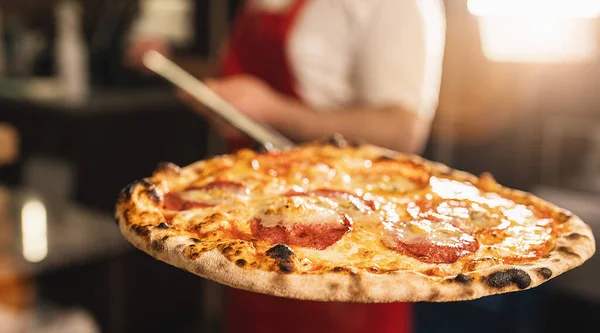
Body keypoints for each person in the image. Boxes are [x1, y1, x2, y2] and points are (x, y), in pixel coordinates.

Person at [127, 0, 446, 332]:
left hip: (352, 255)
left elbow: (403, 131)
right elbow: (248, 78)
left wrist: (273, 111)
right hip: (246, 230)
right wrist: (175, 66)